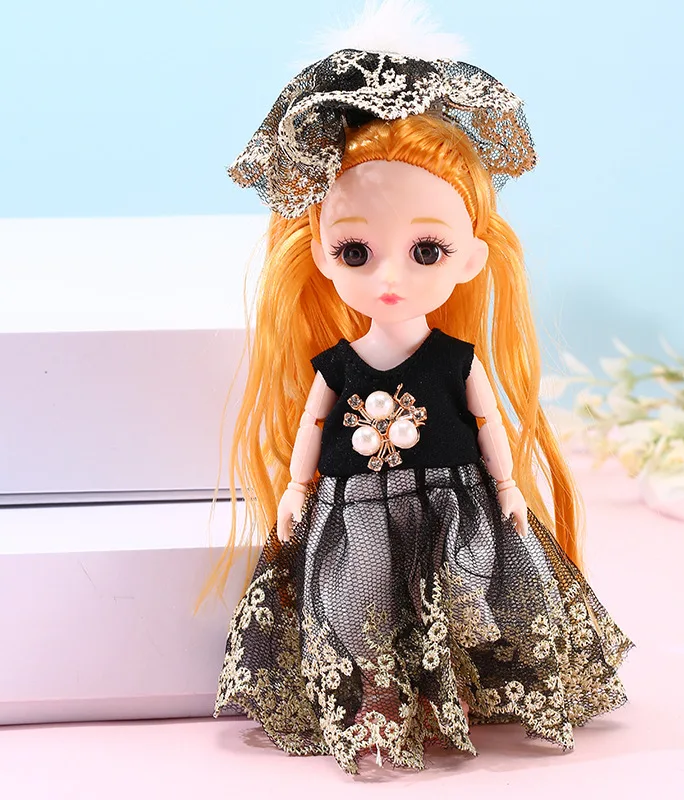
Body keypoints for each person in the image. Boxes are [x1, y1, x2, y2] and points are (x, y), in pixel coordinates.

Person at [209, 45, 633, 776]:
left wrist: (507, 485)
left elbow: (489, 423)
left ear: (471, 258)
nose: (390, 276)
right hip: (357, 510)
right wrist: (296, 487)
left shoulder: (455, 359)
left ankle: (454, 696)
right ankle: (379, 703)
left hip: (452, 502)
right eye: (356, 250)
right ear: (320, 254)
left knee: (462, 596)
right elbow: (313, 424)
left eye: (427, 250)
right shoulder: (338, 365)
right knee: (362, 604)